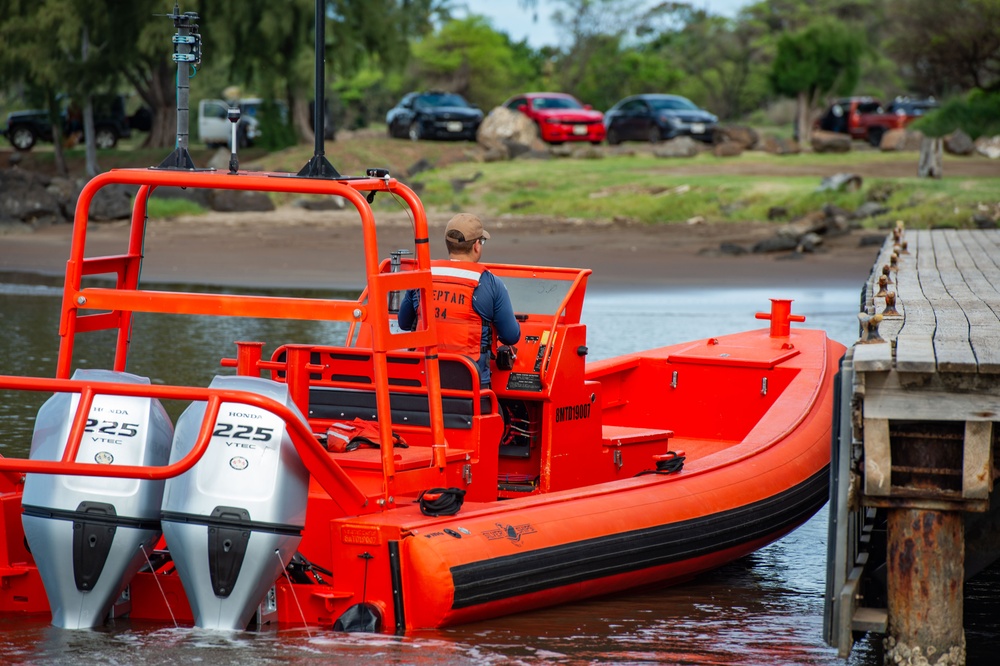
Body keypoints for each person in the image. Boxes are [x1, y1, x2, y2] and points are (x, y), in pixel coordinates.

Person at [397, 213, 520, 388]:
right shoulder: (491, 283)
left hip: (424, 385)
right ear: (477, 245)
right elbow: (510, 335)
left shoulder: (421, 275)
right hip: (471, 391)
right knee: (506, 415)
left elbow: (403, 322)